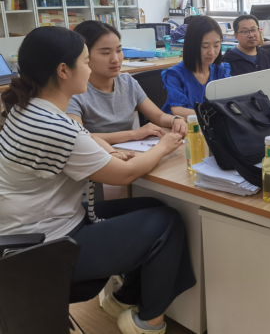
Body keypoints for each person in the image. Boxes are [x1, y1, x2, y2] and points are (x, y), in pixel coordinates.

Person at [0, 27, 195, 334]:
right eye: (85, 61)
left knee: (151, 206)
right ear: (63, 70)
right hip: (44, 248)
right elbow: (125, 174)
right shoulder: (54, 126)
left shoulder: (29, 109)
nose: (90, 68)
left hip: (30, 233)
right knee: (167, 221)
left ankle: (126, 298)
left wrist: (106, 151)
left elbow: (83, 141)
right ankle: (148, 322)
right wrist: (164, 146)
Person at [66, 21, 188, 146]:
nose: (115, 59)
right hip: (97, 154)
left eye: (119, 50)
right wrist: (133, 134)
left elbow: (158, 116)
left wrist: (176, 120)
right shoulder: (74, 91)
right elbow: (79, 137)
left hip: (131, 151)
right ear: (83, 55)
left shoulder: (127, 82)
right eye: (106, 53)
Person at [161, 16, 231, 117]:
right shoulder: (175, 74)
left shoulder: (221, 70)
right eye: (205, 46)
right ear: (192, 46)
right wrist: (213, 116)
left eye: (216, 45)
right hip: (185, 125)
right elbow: (178, 110)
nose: (212, 52)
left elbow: (232, 100)